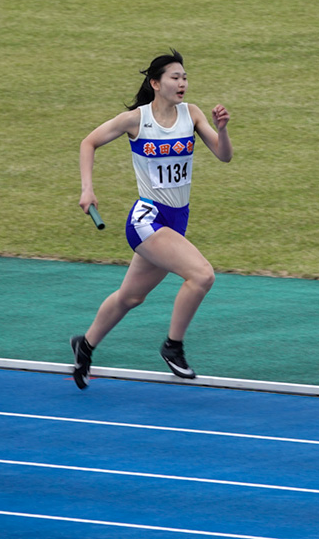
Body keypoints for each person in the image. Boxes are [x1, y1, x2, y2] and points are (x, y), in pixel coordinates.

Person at [72, 50, 233, 390]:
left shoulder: (192, 114)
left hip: (177, 220)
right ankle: (172, 346)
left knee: (131, 297)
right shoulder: (136, 119)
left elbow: (223, 155)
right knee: (202, 275)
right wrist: (88, 190)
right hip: (147, 219)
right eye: (175, 77)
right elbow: (89, 143)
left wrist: (223, 130)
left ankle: (84, 345)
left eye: (185, 77)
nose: (182, 83)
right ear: (155, 83)